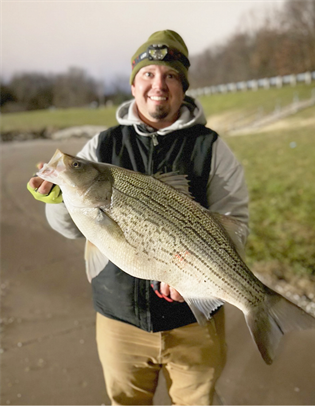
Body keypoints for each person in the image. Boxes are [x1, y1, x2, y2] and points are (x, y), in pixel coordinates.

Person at [28, 30, 249, 405]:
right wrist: (56, 198)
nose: (158, 85)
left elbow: (235, 224)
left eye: (171, 75)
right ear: (133, 85)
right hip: (119, 322)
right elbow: (68, 228)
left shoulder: (211, 148)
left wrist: (195, 278)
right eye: (148, 74)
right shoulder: (102, 145)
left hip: (195, 323)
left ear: (183, 86)